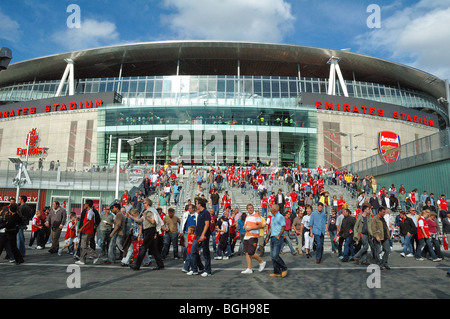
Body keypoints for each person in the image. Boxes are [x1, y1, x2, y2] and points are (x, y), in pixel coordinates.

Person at [129, 198, 165, 270]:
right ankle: (160, 264)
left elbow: (153, 221)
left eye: (144, 203)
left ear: (147, 204)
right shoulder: (146, 212)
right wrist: (131, 216)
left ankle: (137, 265)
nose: (143, 204)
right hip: (148, 230)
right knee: (154, 249)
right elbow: (140, 220)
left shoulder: (151, 211)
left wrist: (146, 216)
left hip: (150, 230)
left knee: (143, 248)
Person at [188, 198, 212, 277]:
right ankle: (195, 269)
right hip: (197, 235)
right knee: (192, 251)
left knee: (205, 253)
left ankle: (208, 271)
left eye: (196, 203)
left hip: (203, 235)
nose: (196, 205)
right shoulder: (200, 213)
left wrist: (203, 234)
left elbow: (207, 224)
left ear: (200, 204)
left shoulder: (206, 213)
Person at [241, 204, 266, 274]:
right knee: (247, 252)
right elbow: (245, 225)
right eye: (249, 208)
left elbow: (260, 225)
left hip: (253, 236)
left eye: (251, 208)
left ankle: (261, 262)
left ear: (253, 208)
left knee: (251, 252)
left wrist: (251, 228)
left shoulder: (256, 215)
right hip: (247, 236)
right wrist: (244, 227)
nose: (250, 209)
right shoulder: (247, 216)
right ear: (247, 210)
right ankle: (249, 268)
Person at [266, 204, 288, 278]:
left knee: (275, 255)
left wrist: (279, 235)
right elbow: (271, 228)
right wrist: (267, 237)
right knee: (272, 256)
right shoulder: (272, 217)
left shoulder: (280, 217)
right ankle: (277, 272)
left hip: (277, 238)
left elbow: (283, 226)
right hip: (272, 237)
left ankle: (284, 267)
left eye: (271, 208)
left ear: (275, 210)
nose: (270, 209)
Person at [75, 200, 99, 265]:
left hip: (87, 231)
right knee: (83, 246)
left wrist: (81, 228)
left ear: (88, 205)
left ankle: (95, 255)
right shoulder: (88, 212)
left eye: (85, 204)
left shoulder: (90, 212)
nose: (84, 205)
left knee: (84, 246)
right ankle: (82, 260)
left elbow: (88, 221)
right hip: (85, 231)